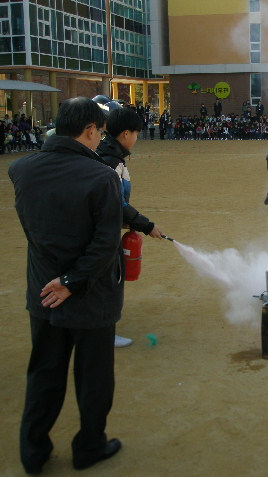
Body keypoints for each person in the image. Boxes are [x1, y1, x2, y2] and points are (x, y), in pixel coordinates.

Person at [8, 97, 124, 474]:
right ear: (89, 130)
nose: (100, 139)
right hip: (91, 296)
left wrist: (60, 280)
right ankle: (89, 446)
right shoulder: (101, 176)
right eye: (99, 132)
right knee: (94, 380)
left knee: (43, 374)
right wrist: (72, 280)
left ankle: (33, 451)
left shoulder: (22, 169)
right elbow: (105, 244)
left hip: (44, 292)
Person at [96, 107, 165, 348]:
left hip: (109, 225)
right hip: (103, 231)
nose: (136, 137)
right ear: (126, 133)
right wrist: (146, 225)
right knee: (109, 279)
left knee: (108, 278)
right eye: (136, 133)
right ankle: (105, 331)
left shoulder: (111, 156)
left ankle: (103, 327)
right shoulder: (111, 161)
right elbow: (115, 202)